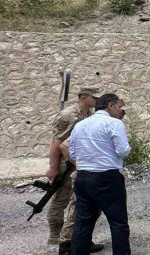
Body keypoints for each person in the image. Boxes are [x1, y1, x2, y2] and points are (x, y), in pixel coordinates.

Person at [57, 104, 127, 254]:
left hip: (83, 177)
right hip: (107, 177)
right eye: (120, 107)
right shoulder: (114, 124)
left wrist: (84, 164)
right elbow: (123, 150)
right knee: (117, 222)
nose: (123, 111)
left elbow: (73, 152)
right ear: (111, 105)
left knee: (83, 222)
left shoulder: (81, 124)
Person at [45, 87, 104, 254]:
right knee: (62, 201)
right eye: (94, 97)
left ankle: (79, 239)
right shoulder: (67, 115)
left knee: (80, 202)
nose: (97, 101)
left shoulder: (90, 115)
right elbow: (57, 143)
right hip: (66, 164)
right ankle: (60, 239)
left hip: (80, 163)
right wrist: (53, 167)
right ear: (83, 97)